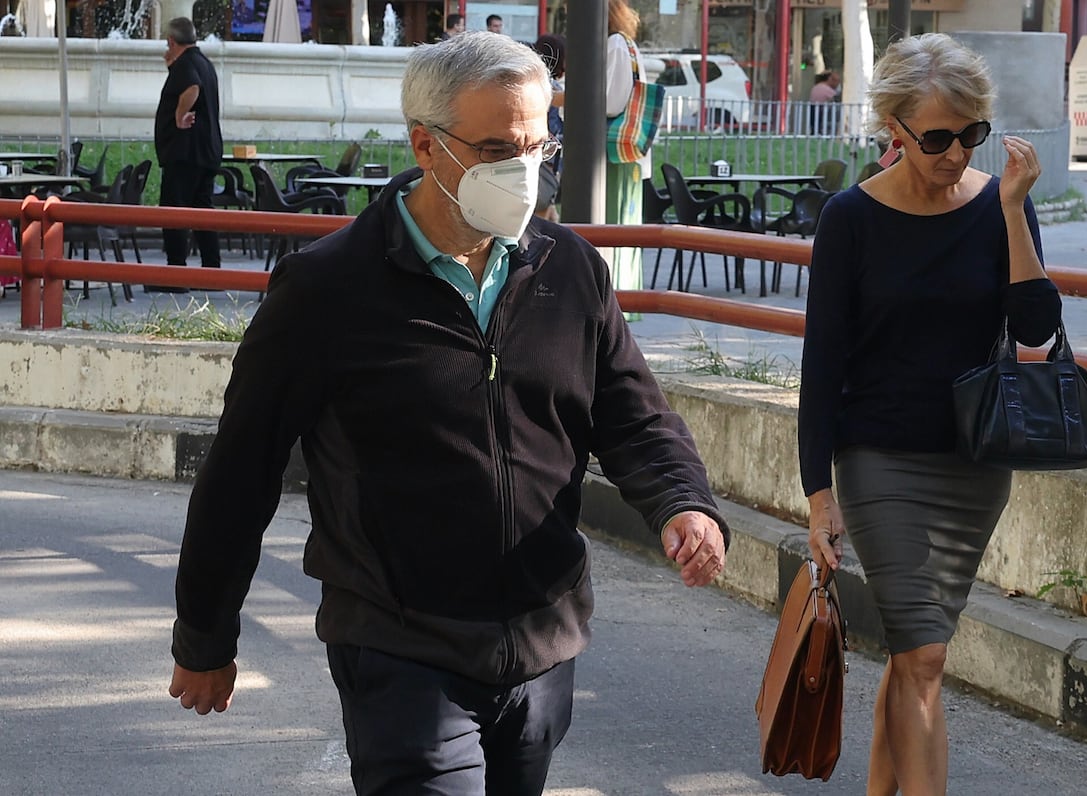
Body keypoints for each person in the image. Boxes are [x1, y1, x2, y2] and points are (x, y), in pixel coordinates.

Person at [167, 31, 729, 796]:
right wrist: (205, 637)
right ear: (426, 146)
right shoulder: (327, 291)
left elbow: (631, 414)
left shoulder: (570, 270)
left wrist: (683, 504)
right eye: (499, 147)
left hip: (542, 643)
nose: (525, 170)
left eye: (539, 146)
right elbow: (241, 471)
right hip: (400, 646)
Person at [797, 33, 1061, 796]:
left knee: (916, 656)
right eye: (936, 138)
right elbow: (823, 366)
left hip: (976, 466)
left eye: (970, 134)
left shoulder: (1001, 203)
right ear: (896, 133)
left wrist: (1011, 210)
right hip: (879, 460)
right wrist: (820, 495)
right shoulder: (851, 219)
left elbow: (1038, 329)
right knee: (925, 660)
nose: (954, 153)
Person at [153, 16, 222, 288]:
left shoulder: (186, 65)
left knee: (174, 212)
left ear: (171, 40)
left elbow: (191, 87)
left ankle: (176, 274)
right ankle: (212, 272)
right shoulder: (204, 62)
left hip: (185, 153)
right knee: (203, 211)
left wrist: (180, 116)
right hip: (206, 151)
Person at [605, 0, 647, 298]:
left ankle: (617, 295)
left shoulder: (615, 46)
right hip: (628, 149)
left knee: (613, 220)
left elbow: (611, 101)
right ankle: (625, 294)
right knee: (624, 220)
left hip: (613, 150)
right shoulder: (626, 44)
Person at [533, 32, 565, 222]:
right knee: (544, 220)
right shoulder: (551, 88)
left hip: (545, 161)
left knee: (550, 217)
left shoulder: (536, 83)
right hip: (547, 161)